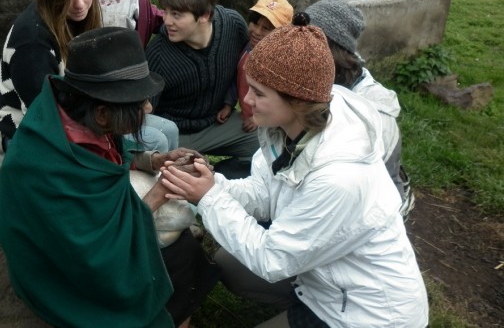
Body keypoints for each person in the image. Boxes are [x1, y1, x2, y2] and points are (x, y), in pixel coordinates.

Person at [160, 23, 429, 327]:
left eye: (259, 93)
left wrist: (209, 199)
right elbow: (263, 194)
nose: (246, 100)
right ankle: (302, 298)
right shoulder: (289, 130)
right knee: (230, 266)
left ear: (297, 101)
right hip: (324, 282)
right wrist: (210, 184)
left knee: (252, 263)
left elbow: (272, 260)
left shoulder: (339, 178)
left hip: (366, 313)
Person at [0, 27, 219, 328]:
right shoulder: (44, 166)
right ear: (102, 114)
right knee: (170, 260)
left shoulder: (78, 109)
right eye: (140, 104)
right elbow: (93, 250)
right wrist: (160, 192)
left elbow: (111, 147)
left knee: (181, 251)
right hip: (61, 276)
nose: (149, 108)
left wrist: (153, 160)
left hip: (86, 242)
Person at [0, 0, 101, 181]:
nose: (80, 3)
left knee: (158, 132)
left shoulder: (73, 19)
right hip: (31, 134)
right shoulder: (31, 41)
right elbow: (45, 115)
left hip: (76, 117)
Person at [302, 0, 414, 218]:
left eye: (307, 41)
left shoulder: (374, 113)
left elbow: (371, 186)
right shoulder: (319, 79)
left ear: (331, 50)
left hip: (363, 212)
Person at [145, 0, 258, 176]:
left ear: (204, 15)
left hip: (217, 123)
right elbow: (145, 112)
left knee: (262, 140)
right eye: (166, 11)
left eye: (176, 14)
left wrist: (228, 100)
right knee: (174, 174)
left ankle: (222, 176)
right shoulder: (158, 54)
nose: (167, 21)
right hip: (174, 134)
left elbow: (243, 69)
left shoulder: (233, 25)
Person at [92, 0, 178, 153]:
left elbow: (155, 19)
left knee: (170, 130)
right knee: (156, 141)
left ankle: (168, 183)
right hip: (94, 92)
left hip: (126, 90)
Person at [236, 0, 293, 133]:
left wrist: (259, 120)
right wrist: (228, 103)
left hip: (268, 125)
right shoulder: (247, 47)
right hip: (246, 117)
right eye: (255, 23)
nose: (256, 31)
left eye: (266, 28)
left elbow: (282, 104)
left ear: (283, 33)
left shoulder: (281, 64)